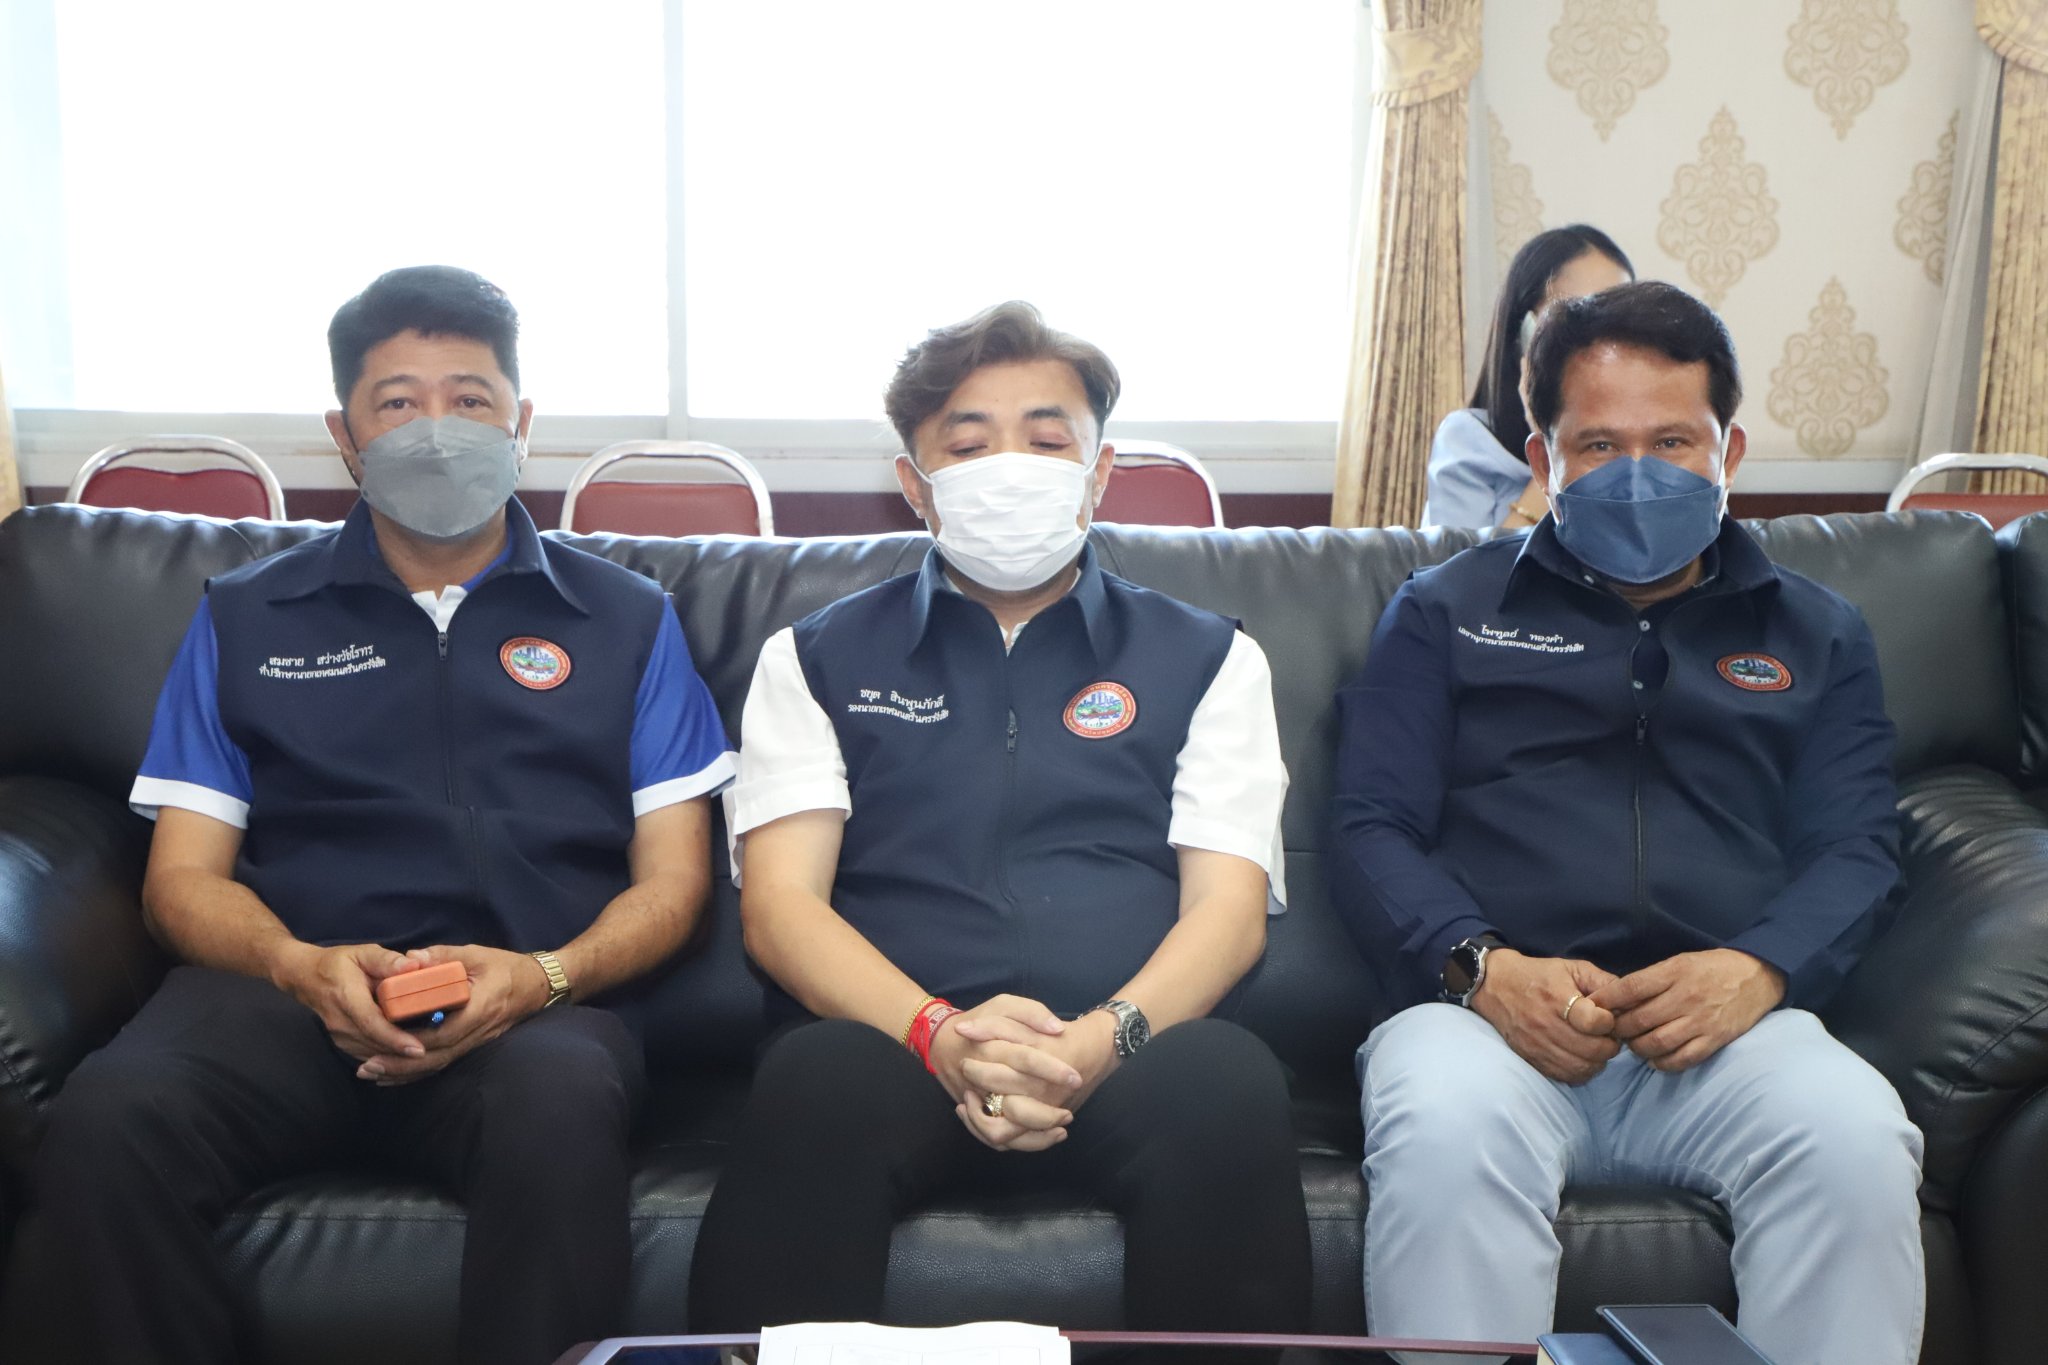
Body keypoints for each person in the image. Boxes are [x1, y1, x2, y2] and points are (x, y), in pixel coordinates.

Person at [1, 266, 734, 1365]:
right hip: (281, 996)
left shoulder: (627, 617)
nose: (437, 430)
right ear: (344, 436)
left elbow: (675, 881)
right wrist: (300, 967)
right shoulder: (245, 613)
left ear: (521, 424)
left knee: (557, 1102)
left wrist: (545, 976)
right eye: (398, 403)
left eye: (470, 399)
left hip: (531, 1002)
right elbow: (180, 881)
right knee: (111, 1118)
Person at [687, 301, 1311, 1350]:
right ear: (914, 483)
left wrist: (1096, 1042)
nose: (1010, 467)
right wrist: (938, 1035)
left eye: (1046, 439)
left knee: (1227, 1078)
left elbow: (1228, 910)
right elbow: (782, 909)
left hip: (1125, 1049)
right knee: (813, 1077)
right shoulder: (815, 656)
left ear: (1099, 473)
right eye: (969, 446)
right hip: (893, 1046)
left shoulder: (1210, 657)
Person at [1332, 281, 1924, 1365]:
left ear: (1728, 450)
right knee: (1444, 1135)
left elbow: (1854, 848)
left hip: (1728, 1033)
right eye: (1599, 444)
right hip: (1482, 1024)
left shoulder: (1819, 631)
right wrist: (1479, 968)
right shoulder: (1442, 610)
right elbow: (1371, 825)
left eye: (1673, 442)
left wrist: (1759, 968)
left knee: (1855, 1140)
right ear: (1543, 457)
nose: (1638, 472)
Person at [1423, 224, 1633, 531]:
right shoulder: (1469, 439)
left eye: (1621, 320)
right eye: (1580, 318)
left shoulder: (1642, 442)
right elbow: (1464, 561)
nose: (1606, 342)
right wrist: (1550, 447)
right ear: (1524, 333)